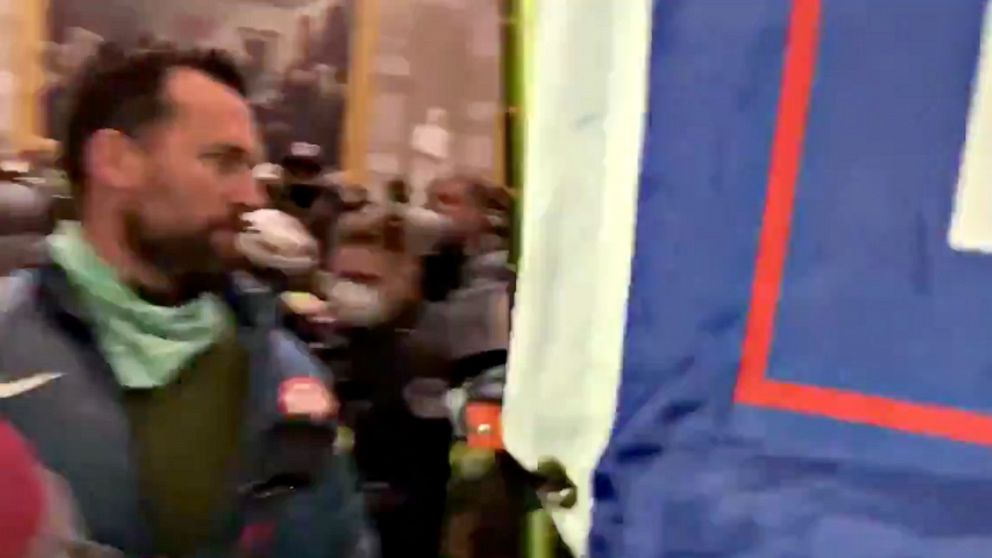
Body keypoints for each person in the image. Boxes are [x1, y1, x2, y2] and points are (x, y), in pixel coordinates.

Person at [0, 50, 373, 557]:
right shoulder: (7, 339)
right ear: (116, 161)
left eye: (251, 167)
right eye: (223, 162)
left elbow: (342, 543)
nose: (252, 196)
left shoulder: (287, 371)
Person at [323, 207, 454, 558]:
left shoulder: (436, 352)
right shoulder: (333, 346)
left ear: (407, 278)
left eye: (366, 280)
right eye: (343, 278)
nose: (350, 291)